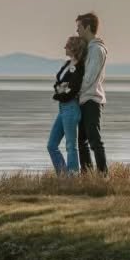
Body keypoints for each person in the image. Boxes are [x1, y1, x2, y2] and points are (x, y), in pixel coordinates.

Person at [75, 11, 108, 173]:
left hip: (92, 101)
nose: (77, 31)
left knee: (94, 140)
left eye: (79, 27)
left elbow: (89, 78)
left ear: (87, 27)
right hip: (84, 99)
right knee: (82, 142)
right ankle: (86, 176)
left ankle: (103, 176)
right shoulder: (89, 49)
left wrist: (75, 91)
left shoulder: (96, 50)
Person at [47, 34, 85, 174]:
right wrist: (60, 90)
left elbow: (72, 89)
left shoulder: (80, 67)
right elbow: (58, 83)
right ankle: (63, 175)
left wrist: (61, 92)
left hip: (71, 108)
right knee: (51, 145)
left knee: (70, 146)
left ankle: (73, 177)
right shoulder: (67, 64)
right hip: (62, 109)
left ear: (74, 48)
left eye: (67, 45)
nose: (65, 47)